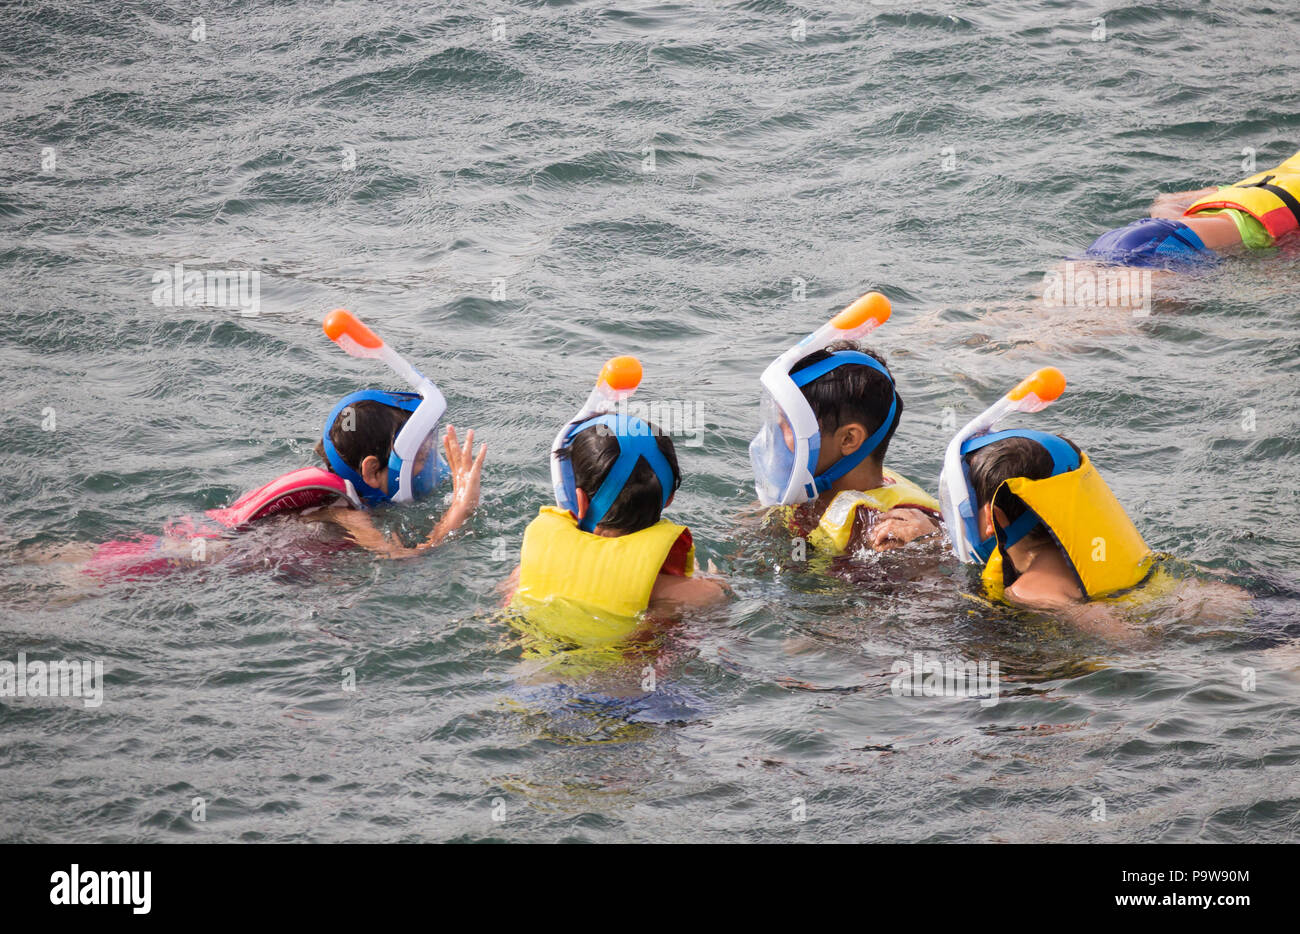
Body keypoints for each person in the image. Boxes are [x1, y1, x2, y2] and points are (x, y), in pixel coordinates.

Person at [749, 291, 941, 556]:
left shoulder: (885, 532)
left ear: (849, 439)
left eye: (788, 426)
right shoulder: (808, 489)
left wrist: (927, 548)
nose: (776, 436)